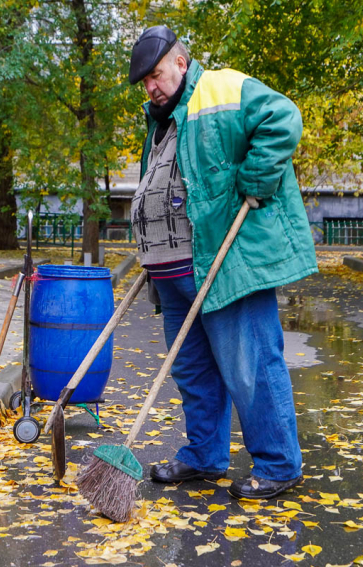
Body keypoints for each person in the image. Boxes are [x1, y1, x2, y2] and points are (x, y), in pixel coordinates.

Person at [128, 25, 318, 500]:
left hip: (223, 268)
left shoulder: (223, 88)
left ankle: (278, 465)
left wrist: (257, 179)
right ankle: (204, 456)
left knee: (249, 365)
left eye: (156, 75)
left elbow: (283, 117)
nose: (152, 87)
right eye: (144, 82)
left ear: (181, 62)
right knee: (193, 371)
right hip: (171, 276)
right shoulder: (160, 119)